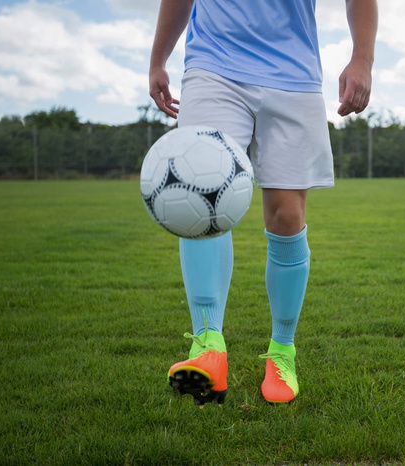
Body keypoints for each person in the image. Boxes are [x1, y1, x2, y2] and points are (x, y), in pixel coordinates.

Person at [149, 0, 377, 405]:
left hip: (293, 75)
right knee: (200, 199)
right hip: (213, 67)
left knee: (287, 215)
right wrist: (158, 60)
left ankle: (281, 353)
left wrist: (362, 59)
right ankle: (207, 346)